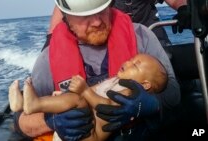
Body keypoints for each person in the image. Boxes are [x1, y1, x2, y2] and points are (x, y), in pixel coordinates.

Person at [10, 0, 180, 140]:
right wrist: (50, 121)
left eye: (102, 11)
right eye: (85, 17)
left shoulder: (142, 36)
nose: (97, 22)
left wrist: (148, 104)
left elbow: (173, 95)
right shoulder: (48, 59)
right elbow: (21, 121)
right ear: (67, 17)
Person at [9, 54, 168, 141]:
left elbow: (107, 108)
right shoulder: (47, 58)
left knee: (77, 100)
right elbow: (93, 91)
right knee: (73, 99)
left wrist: (152, 105)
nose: (127, 61)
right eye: (131, 59)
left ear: (146, 85)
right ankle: (25, 104)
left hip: (90, 135)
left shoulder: (130, 93)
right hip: (70, 129)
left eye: (135, 65)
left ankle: (33, 103)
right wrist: (55, 115)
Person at [47, 0, 187, 47]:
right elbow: (67, 7)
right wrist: (51, 39)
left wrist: (184, 9)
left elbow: (176, 1)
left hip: (151, 37)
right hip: (111, 42)